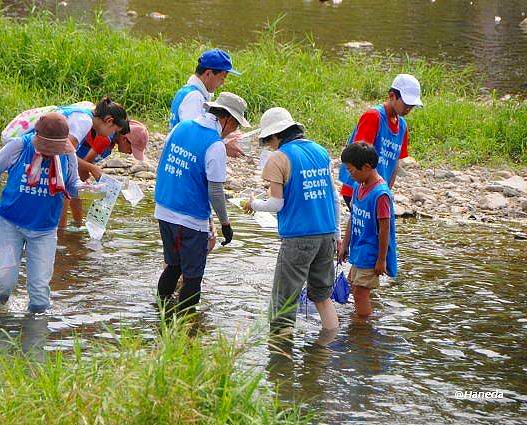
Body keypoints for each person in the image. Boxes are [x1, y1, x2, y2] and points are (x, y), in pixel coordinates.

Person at [241, 107, 340, 334]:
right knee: (323, 298)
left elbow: (276, 205)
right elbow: (333, 197)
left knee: (283, 306)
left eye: (269, 140)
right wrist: (337, 235)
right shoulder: (320, 151)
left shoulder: (279, 158)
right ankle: (327, 351)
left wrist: (253, 204)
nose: (269, 145)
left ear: (277, 135)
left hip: (298, 237)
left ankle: (281, 363)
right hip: (326, 235)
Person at [155, 92, 250, 312]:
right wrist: (225, 224)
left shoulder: (182, 127)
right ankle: (185, 330)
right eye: (235, 125)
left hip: (163, 208)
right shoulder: (215, 145)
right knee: (193, 279)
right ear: (227, 119)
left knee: (173, 266)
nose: (234, 131)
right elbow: (215, 191)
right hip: (188, 218)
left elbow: (163, 163)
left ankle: (160, 315)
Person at [0, 112, 80, 313]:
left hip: (45, 229)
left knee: (39, 291)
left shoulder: (68, 154)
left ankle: (36, 335)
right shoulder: (18, 146)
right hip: (9, 223)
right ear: (36, 136)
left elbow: (72, 184)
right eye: (47, 147)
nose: (50, 152)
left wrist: (89, 189)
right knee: (4, 281)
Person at [338, 74, 423, 209]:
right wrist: (363, 192)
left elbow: (395, 162)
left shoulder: (402, 126)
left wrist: (386, 191)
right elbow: (357, 157)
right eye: (406, 104)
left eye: (412, 106)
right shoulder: (373, 117)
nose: (408, 109)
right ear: (392, 96)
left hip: (378, 192)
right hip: (358, 190)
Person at [338, 142, 397, 317]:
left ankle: (363, 331)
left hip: (371, 252)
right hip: (359, 249)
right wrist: (345, 245)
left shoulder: (380, 195)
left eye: (351, 171)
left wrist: (381, 260)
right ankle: (360, 322)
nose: (350, 175)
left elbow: (385, 229)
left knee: (360, 293)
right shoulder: (359, 186)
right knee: (353, 286)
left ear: (366, 167)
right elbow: (353, 216)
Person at [59, 98, 131, 228]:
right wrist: (92, 168)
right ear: (109, 121)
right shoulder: (85, 121)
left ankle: (62, 239)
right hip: (38, 154)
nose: (112, 134)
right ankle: (60, 236)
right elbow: (64, 153)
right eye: (114, 130)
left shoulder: (86, 116)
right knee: (61, 196)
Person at [169, 48, 245, 158]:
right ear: (208, 73)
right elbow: (194, 137)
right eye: (222, 78)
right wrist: (222, 146)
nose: (222, 83)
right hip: (184, 157)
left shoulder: (189, 91)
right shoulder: (194, 97)